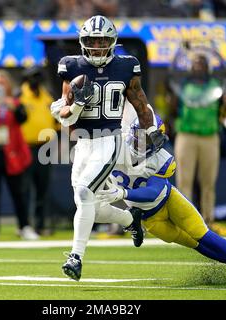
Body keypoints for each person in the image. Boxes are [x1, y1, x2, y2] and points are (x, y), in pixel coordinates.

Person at [96, 112, 226, 285]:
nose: (142, 143)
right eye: (140, 136)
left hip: (169, 201)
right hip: (150, 219)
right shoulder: (115, 146)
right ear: (132, 132)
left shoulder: (162, 159)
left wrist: (123, 193)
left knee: (202, 235)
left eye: (148, 139)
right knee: (197, 245)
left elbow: (154, 192)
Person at [50, 15, 167, 281]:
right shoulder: (71, 66)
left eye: (103, 40)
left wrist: (151, 131)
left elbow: (140, 103)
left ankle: (75, 257)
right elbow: (66, 117)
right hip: (83, 144)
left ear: (112, 42)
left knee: (84, 192)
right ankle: (130, 219)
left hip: (109, 140)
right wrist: (78, 103)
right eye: (93, 40)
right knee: (90, 203)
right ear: (84, 42)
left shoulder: (126, 66)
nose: (98, 45)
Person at [0, 70, 39, 241]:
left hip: (13, 154)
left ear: (9, 85)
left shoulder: (16, 102)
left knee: (18, 192)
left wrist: (14, 106)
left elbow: (23, 118)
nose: (0, 85)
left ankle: (24, 226)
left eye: (3, 82)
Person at [171, 54, 226, 226]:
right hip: (186, 135)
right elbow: (173, 110)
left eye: (202, 64)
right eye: (195, 63)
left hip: (210, 136)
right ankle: (185, 221)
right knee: (184, 181)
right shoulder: (183, 86)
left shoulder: (216, 87)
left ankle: (208, 221)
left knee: (208, 181)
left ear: (207, 67)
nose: (198, 67)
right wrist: (172, 97)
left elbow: (224, 114)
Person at [19, 67, 57, 235]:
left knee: (42, 187)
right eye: (32, 78)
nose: (35, 81)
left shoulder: (47, 96)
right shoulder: (19, 96)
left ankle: (40, 225)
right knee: (24, 188)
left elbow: (56, 121)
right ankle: (24, 225)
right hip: (25, 147)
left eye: (37, 77)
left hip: (45, 147)